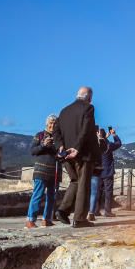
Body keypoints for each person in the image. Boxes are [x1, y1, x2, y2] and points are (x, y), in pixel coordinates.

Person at [54, 86, 100, 227]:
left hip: (67, 154)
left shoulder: (64, 110)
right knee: (84, 185)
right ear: (89, 97)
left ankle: (62, 210)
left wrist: (60, 146)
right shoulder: (88, 108)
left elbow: (56, 130)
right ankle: (80, 219)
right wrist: (77, 148)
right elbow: (86, 129)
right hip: (83, 154)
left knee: (75, 181)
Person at [27, 114, 59, 228]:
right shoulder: (39, 135)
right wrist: (43, 145)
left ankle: (47, 219)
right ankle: (31, 220)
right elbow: (32, 151)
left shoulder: (58, 137)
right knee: (38, 195)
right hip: (41, 170)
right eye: (51, 123)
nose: (52, 125)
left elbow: (59, 153)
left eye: (54, 123)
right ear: (47, 124)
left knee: (52, 197)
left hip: (53, 171)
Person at [96, 127, 121, 217]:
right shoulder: (108, 145)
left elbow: (100, 140)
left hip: (98, 172)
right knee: (108, 192)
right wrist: (113, 134)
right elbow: (118, 143)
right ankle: (107, 211)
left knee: (97, 191)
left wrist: (104, 137)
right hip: (107, 171)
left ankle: (95, 210)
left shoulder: (95, 145)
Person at [86, 129, 111, 221]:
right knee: (94, 192)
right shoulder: (101, 143)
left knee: (90, 192)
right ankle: (91, 212)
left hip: (87, 168)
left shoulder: (88, 141)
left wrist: (102, 138)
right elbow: (105, 147)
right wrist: (103, 138)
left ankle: (89, 211)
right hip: (96, 169)